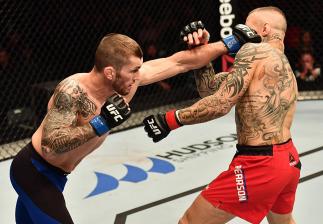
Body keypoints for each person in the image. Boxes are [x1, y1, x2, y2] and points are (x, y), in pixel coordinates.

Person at [9, 23, 260, 223]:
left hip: (58, 176)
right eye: (133, 71)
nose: (138, 77)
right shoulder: (73, 91)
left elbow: (179, 62)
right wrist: (100, 122)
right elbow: (52, 143)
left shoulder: (127, 82)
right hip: (33, 171)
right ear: (110, 72)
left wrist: (229, 43)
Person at [143, 6, 301, 224]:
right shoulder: (283, 68)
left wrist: (171, 120)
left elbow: (221, 103)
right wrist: (202, 50)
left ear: (264, 29)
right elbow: (210, 89)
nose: (243, 31)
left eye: (248, 25)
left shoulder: (254, 52)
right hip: (289, 161)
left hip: (259, 164)